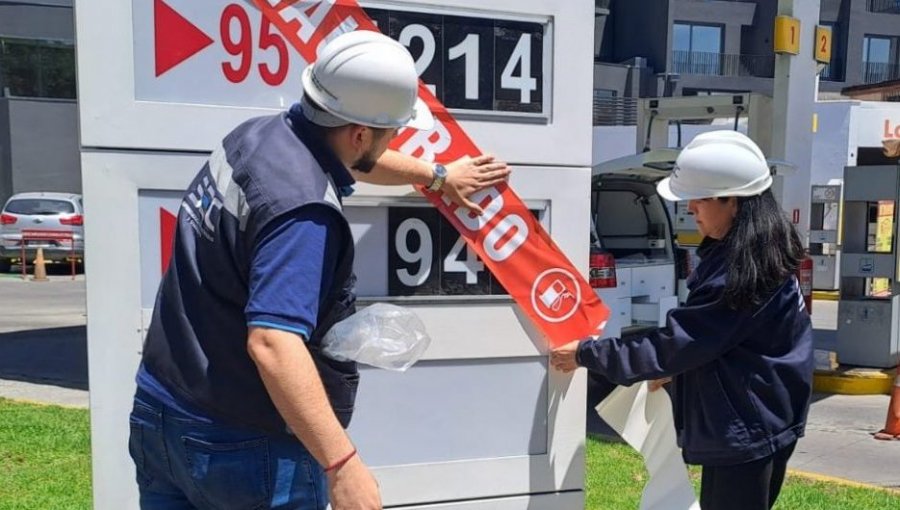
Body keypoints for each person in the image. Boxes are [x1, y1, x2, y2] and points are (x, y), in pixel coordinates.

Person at [128, 30, 508, 510]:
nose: (396, 138)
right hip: (241, 446)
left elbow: (353, 159)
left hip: (160, 412)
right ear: (360, 132)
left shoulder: (256, 137)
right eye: (394, 130)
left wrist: (436, 175)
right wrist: (342, 465)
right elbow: (272, 344)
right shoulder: (303, 213)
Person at [551, 130, 813, 510]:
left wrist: (586, 354)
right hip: (769, 416)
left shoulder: (740, 273)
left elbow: (678, 342)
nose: (690, 210)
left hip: (747, 426)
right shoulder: (767, 251)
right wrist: (680, 370)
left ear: (732, 201)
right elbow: (729, 339)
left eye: (697, 200)